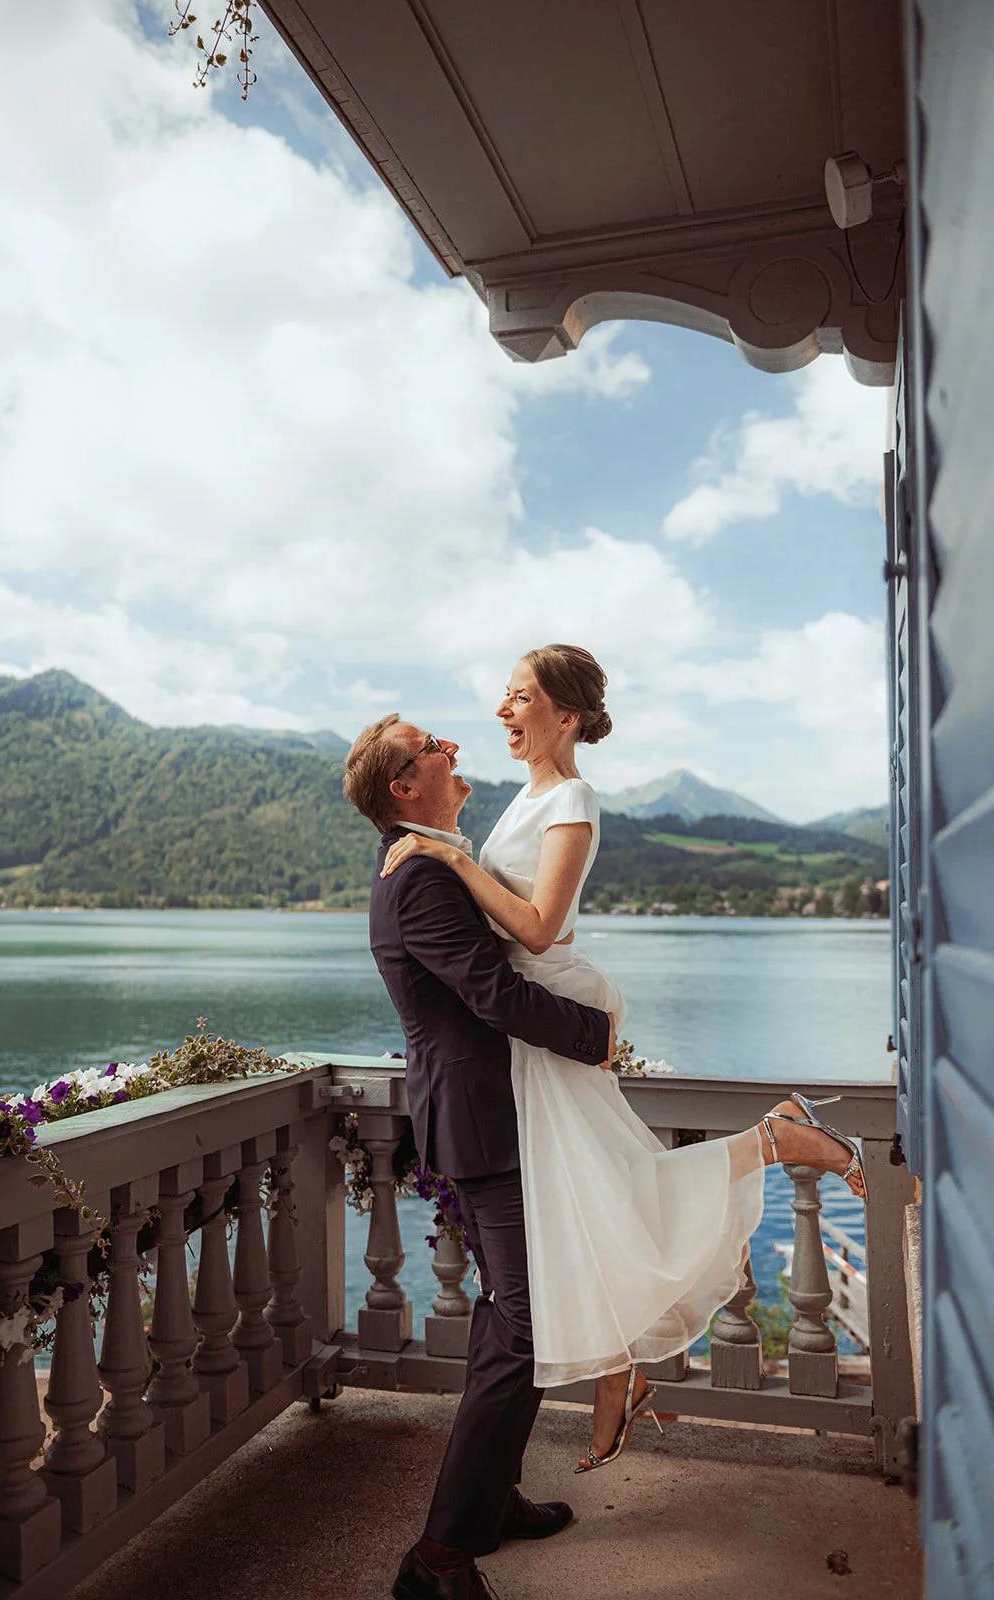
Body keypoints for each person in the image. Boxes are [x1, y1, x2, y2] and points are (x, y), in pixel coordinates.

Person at [379, 643, 868, 1476]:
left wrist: (451, 857)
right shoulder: (521, 800)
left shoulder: (572, 796)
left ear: (564, 717)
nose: (501, 711)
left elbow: (539, 929)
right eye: (503, 695)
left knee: (618, 1194)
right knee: (595, 1199)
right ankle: (619, 1372)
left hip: (554, 1014)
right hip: (529, 1031)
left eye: (520, 696)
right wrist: (444, 853)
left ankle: (776, 1140)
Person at [343, 715, 618, 1600]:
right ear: (403, 787)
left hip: (494, 1113)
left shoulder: (432, 859)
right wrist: (593, 1034)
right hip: (480, 1119)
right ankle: (440, 1557)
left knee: (511, 1310)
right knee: (527, 1320)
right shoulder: (417, 876)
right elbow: (493, 993)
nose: (454, 747)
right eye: (432, 746)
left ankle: (490, 1498)